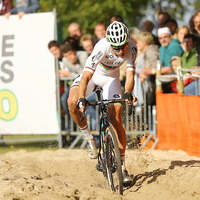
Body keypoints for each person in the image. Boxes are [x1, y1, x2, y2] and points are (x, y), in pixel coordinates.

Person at [67, 21, 138, 184]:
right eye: (116, 48)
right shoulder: (102, 47)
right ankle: (89, 139)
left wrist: (128, 93)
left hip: (111, 79)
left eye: (123, 46)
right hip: (93, 75)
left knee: (116, 119)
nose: (120, 51)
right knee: (72, 102)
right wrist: (81, 99)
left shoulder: (132, 48)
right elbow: (85, 77)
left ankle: (122, 167)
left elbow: (130, 76)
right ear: (110, 43)